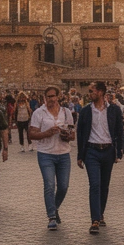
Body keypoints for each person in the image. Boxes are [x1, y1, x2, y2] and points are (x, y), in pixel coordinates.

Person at [75, 81, 124, 234]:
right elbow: (80, 133)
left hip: (108, 150)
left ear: (101, 92)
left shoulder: (114, 110)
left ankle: (101, 213)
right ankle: (95, 220)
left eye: (92, 91)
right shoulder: (85, 111)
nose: (89, 94)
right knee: (95, 185)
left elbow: (119, 131)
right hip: (92, 151)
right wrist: (80, 155)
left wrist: (120, 151)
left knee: (104, 185)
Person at [28, 85, 75, 229]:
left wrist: (67, 135)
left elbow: (72, 134)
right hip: (46, 154)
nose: (52, 99)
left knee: (63, 186)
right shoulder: (38, 113)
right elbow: (31, 134)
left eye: (54, 96)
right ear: (45, 98)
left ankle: (55, 207)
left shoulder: (66, 112)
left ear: (58, 96)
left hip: (63, 153)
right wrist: (47, 133)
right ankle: (51, 217)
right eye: (49, 96)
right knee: (49, 185)